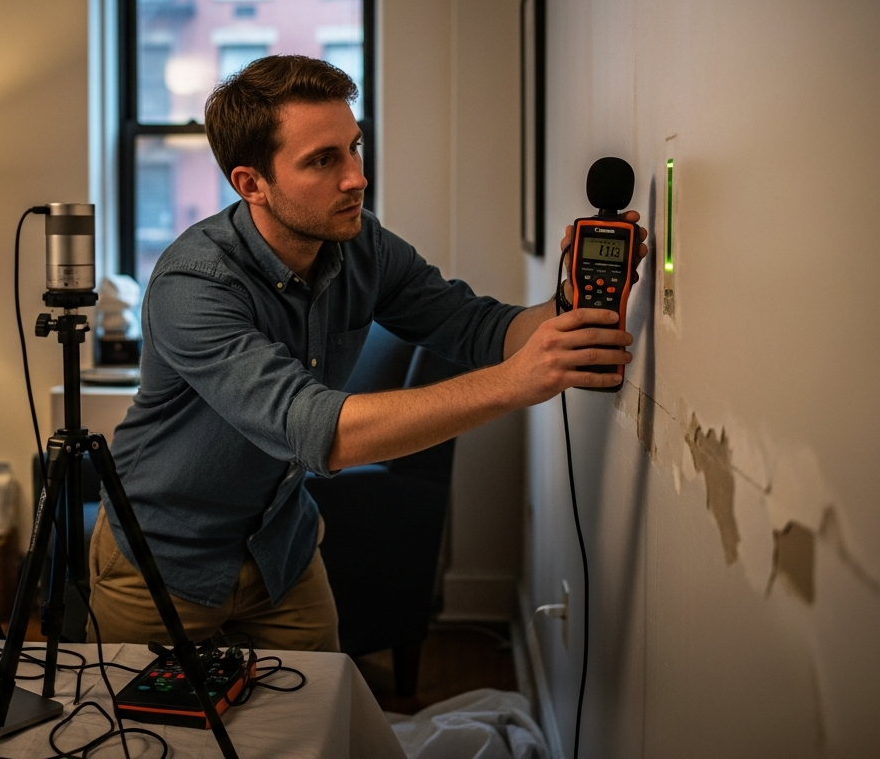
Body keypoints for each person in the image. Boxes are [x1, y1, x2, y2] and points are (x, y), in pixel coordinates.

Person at [88, 55, 645, 651]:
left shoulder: (362, 244)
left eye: (353, 148)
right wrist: (516, 382)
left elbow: (479, 328)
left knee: (317, 731)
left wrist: (575, 300)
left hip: (281, 549)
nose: (356, 177)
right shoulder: (194, 284)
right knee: (154, 743)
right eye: (323, 161)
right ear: (251, 184)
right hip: (161, 560)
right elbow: (320, 431)